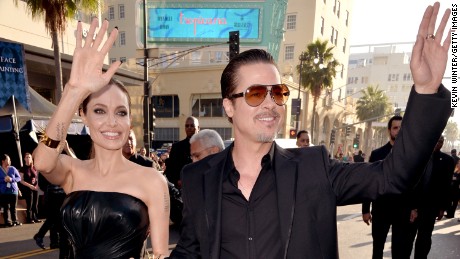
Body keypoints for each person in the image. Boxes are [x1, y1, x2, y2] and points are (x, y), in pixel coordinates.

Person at [169, 3, 453, 258]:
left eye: (278, 92)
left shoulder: (313, 168)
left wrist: (426, 91)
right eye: (256, 94)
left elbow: (392, 177)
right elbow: (189, 250)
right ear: (228, 107)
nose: (271, 104)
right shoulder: (197, 178)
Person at [32, 18, 169, 259]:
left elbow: (160, 254)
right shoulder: (72, 171)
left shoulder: (151, 180)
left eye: (121, 112)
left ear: (129, 121)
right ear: (83, 115)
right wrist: (74, 91)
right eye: (99, 111)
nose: (112, 122)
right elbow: (42, 162)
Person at [361, 116, 412, 259]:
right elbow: (369, 182)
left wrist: (414, 207)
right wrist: (366, 210)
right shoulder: (377, 154)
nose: (398, 131)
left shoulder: (411, 154)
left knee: (399, 250)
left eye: (401, 128)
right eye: (395, 128)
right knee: (377, 248)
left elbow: (414, 182)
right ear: (389, 131)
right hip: (381, 209)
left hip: (402, 210)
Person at [407, 135, 455, 258]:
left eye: (441, 141)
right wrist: (412, 206)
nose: (438, 144)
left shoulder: (447, 161)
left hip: (430, 208)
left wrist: (442, 208)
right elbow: (409, 183)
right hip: (411, 207)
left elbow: (446, 187)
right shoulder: (416, 157)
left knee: (424, 239)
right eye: (436, 140)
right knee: (407, 240)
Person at [164, 116, 199, 188]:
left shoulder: (205, 146)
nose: (189, 128)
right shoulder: (177, 147)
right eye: (187, 126)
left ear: (198, 128)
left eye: (192, 125)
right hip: (182, 191)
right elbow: (170, 171)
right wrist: (177, 181)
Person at [0, 154, 22, 227]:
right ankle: (8, 222)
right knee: (6, 207)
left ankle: (15, 220)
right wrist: (4, 180)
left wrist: (11, 179)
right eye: (8, 159)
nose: (9, 161)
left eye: (9, 159)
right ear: (3, 161)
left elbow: (19, 178)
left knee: (13, 207)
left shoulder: (13, 168)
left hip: (13, 191)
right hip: (4, 191)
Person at [19, 152, 41, 224]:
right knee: (30, 204)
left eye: (29, 157)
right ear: (24, 159)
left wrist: (36, 185)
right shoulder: (23, 169)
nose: (28, 159)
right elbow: (21, 180)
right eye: (27, 157)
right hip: (28, 188)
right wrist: (29, 186)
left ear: (32, 159)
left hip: (35, 187)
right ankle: (29, 218)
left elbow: (37, 177)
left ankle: (35, 217)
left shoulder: (34, 167)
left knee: (35, 203)